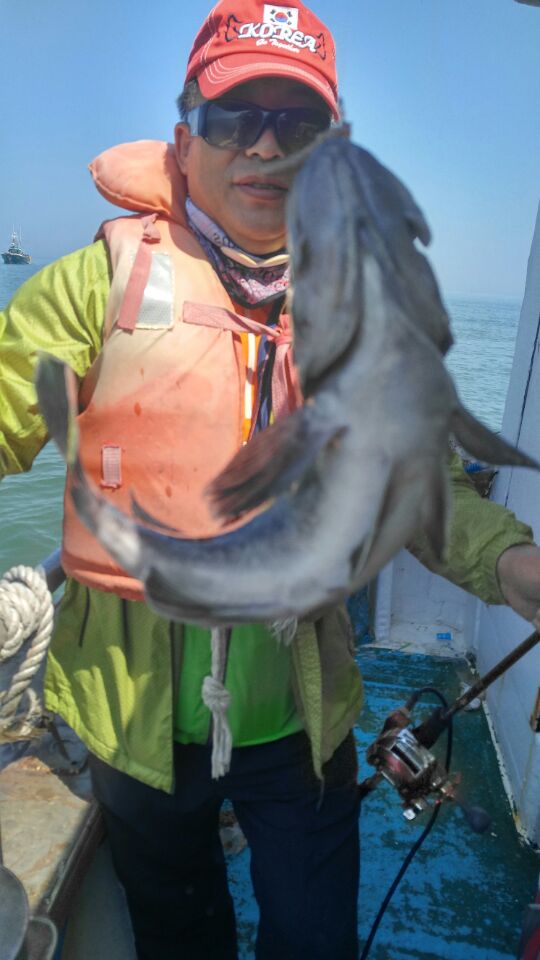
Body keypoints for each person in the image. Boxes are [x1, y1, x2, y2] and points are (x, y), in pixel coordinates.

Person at [1, 1, 540, 957]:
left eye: (296, 123)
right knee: (180, 929)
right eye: (233, 117)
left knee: (313, 932)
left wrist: (511, 567)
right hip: (131, 711)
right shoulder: (95, 286)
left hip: (299, 705)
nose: (263, 146)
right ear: (184, 140)